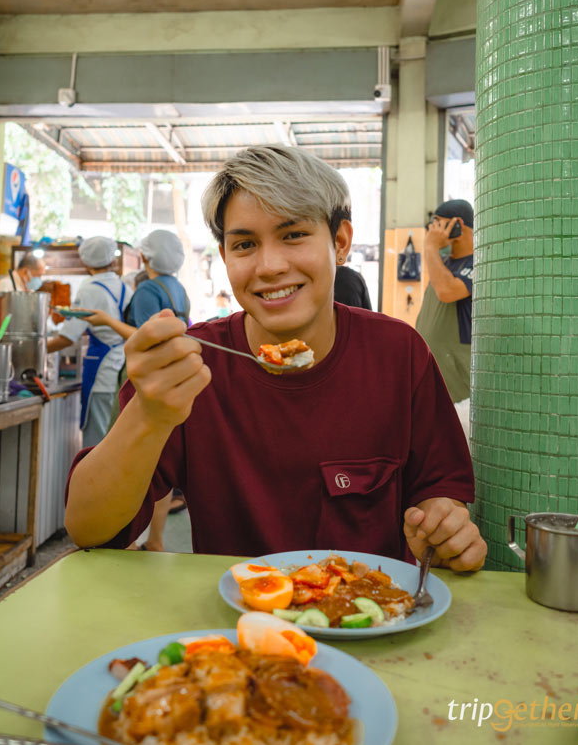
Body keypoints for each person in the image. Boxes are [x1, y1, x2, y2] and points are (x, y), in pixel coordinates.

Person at [65, 147, 486, 572]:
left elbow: (438, 490)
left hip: (373, 606)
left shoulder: (398, 353)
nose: (268, 266)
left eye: (294, 235)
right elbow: (89, 529)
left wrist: (441, 529)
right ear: (225, 256)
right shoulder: (191, 368)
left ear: (340, 243)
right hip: (234, 611)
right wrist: (149, 415)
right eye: (245, 244)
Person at [80, 229, 190, 550]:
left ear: (144, 256)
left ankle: (122, 538)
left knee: (125, 459)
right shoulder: (178, 289)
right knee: (160, 462)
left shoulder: (147, 290)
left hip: (144, 378)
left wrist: (106, 320)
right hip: (172, 374)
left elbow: (143, 337)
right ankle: (155, 539)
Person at [47, 237, 131, 449]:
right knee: (113, 438)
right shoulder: (124, 287)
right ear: (112, 259)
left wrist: (38, 348)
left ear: (85, 261)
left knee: (96, 442)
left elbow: (68, 337)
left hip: (101, 373)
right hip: (121, 368)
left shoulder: (89, 289)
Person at [415, 199, 474, 437]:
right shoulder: (444, 264)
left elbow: (447, 291)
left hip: (461, 393)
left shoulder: (478, 263)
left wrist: (430, 247)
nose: (432, 231)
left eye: (437, 224)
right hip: (435, 383)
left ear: (457, 224)